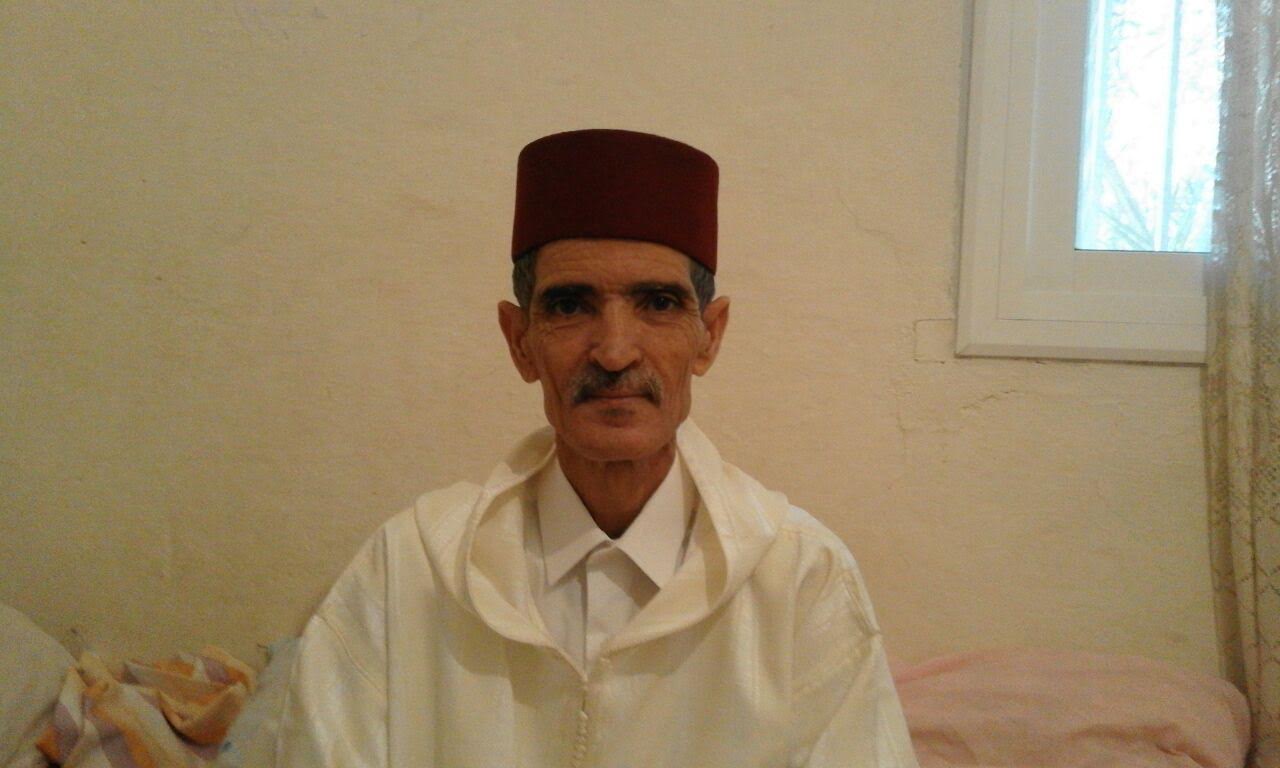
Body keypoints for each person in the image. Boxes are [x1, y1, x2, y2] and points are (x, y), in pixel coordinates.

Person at [273, 129, 918, 767]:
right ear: (520, 341)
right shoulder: (411, 571)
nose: (614, 351)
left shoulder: (798, 577)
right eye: (569, 306)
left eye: (658, 303)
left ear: (710, 335)